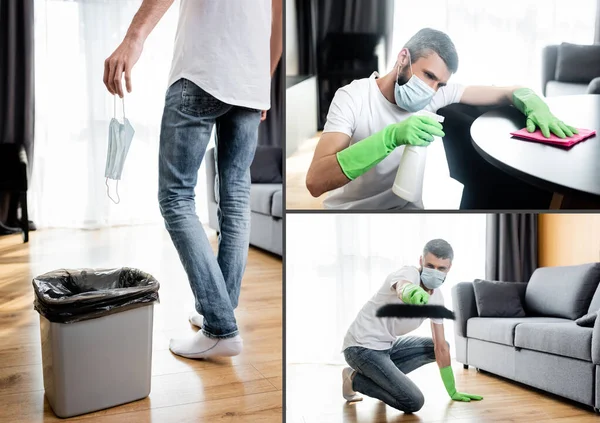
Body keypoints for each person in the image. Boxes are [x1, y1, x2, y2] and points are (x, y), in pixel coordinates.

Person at [103, 0, 283, 359]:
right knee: (235, 197)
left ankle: (220, 326)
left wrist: (133, 38)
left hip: (204, 71)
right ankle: (217, 313)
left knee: (175, 197)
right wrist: (265, 79)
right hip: (250, 82)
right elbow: (279, 18)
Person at [306, 28, 578, 210]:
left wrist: (533, 102)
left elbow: (506, 92)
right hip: (350, 212)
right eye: (428, 76)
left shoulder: (436, 95)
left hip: (407, 209)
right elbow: (316, 182)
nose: (432, 90)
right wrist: (391, 137)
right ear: (403, 58)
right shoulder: (353, 97)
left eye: (440, 84)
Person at [342, 239, 482, 413]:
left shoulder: (437, 299)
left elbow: (440, 347)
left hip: (387, 348)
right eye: (430, 265)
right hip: (360, 348)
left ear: (449, 268)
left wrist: (452, 390)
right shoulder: (408, 274)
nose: (435, 272)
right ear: (421, 261)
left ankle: (383, 380)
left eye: (441, 268)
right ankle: (353, 378)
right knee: (413, 401)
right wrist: (412, 293)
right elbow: (402, 286)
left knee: (435, 346)